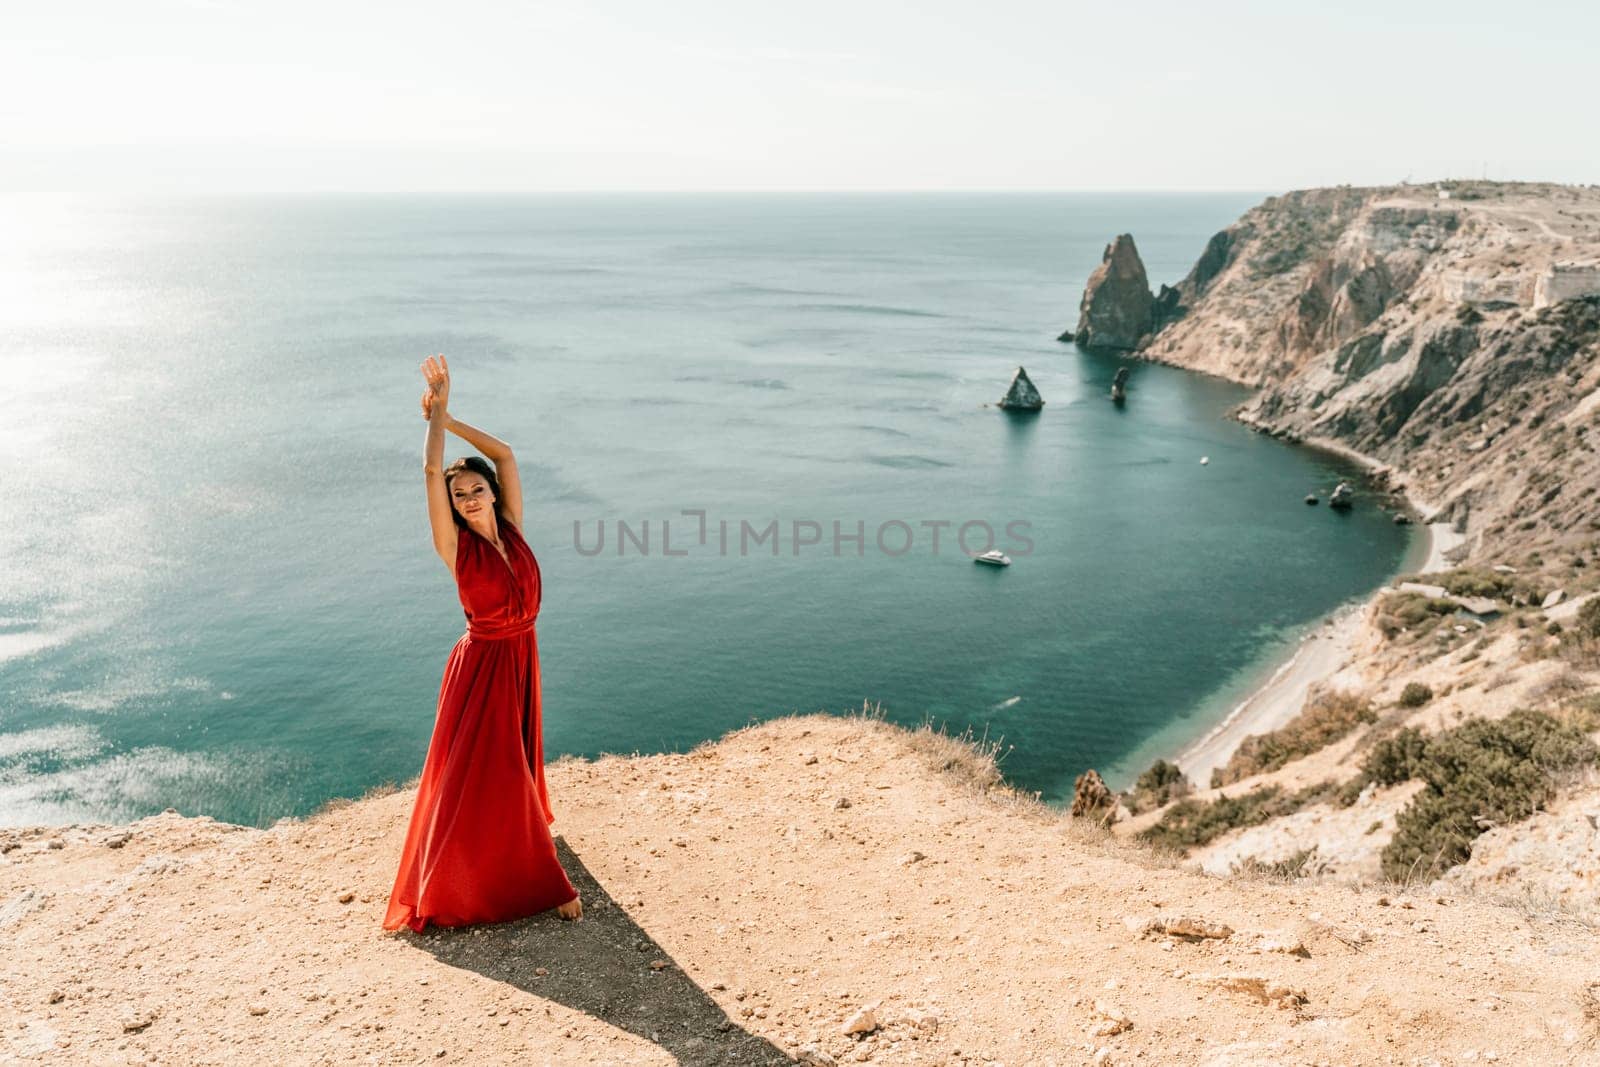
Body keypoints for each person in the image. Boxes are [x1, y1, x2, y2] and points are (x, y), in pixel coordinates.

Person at [383, 354, 583, 931]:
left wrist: (451, 419)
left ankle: (515, 841)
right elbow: (430, 475)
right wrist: (432, 422)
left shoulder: (514, 527)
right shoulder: (456, 549)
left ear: (492, 495)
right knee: (495, 768)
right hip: (485, 664)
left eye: (474, 490)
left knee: (514, 760)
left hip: (522, 655)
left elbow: (506, 454)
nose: (467, 499)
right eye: (459, 496)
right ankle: (540, 880)